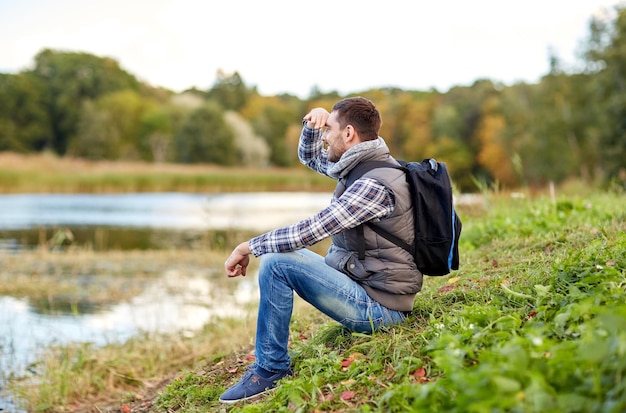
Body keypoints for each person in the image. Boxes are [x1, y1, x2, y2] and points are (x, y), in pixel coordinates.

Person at [219, 97, 422, 404]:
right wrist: (314, 126)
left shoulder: (373, 184)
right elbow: (313, 159)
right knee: (276, 259)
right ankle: (270, 366)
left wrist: (248, 246)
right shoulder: (364, 165)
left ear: (350, 133)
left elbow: (311, 231)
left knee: (275, 263)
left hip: (381, 308)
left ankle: (270, 370)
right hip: (370, 289)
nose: (326, 137)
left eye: (331, 130)